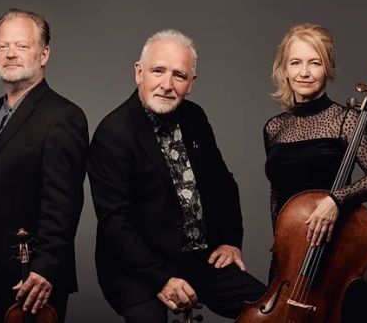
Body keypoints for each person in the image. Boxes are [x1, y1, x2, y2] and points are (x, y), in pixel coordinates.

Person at [88, 29, 266, 322]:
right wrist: (160, 279)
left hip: (198, 258)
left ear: (191, 83)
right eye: (158, 71)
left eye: (179, 75)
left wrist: (231, 241)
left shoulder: (195, 117)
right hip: (137, 269)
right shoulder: (113, 133)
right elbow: (115, 224)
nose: (167, 85)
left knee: (273, 312)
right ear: (139, 72)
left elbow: (223, 183)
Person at [0, 8, 88, 323]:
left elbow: (64, 203)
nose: (10, 54)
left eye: (22, 46)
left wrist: (46, 268)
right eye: (3, 46)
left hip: (32, 277)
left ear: (44, 55)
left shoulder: (64, 116)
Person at [263, 23, 367, 322]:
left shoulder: (345, 120)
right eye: (295, 63)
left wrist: (336, 200)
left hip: (337, 257)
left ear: (328, 68)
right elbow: (277, 192)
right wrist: (281, 247)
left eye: (315, 62)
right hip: (290, 261)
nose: (304, 72)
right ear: (283, 69)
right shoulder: (274, 127)